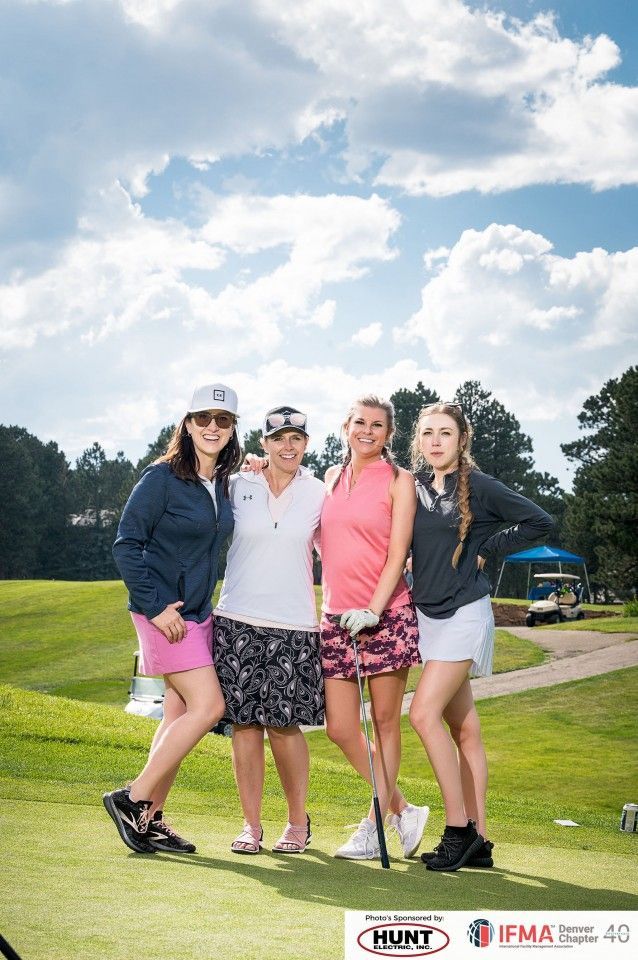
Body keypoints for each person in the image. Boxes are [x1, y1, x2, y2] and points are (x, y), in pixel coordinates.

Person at [408, 402, 554, 871]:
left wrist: (488, 549)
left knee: (422, 714)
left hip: (465, 614)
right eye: (428, 432)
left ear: (461, 439)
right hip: (428, 615)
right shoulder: (413, 489)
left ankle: (457, 830)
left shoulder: (480, 487)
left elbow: (540, 520)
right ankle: (482, 840)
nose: (435, 441)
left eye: (445, 433)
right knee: (463, 729)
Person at [104, 382, 241, 854]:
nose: (211, 427)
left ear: (231, 430)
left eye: (222, 421)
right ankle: (132, 797)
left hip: (197, 615)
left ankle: (148, 818)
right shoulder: (161, 477)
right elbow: (127, 544)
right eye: (203, 418)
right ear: (186, 424)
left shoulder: (222, 481)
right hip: (164, 615)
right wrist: (156, 606)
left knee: (180, 712)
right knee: (209, 708)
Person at [320, 395, 429, 861]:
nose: (368, 431)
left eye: (378, 426)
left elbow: (397, 552)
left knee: (385, 723)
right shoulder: (330, 478)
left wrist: (374, 608)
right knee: (340, 728)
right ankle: (401, 807)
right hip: (335, 618)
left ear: (388, 434)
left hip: (386, 617)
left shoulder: (400, 481)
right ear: (346, 427)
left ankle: (373, 824)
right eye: (360, 422)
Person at [214, 406, 325, 855]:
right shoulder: (238, 484)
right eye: (279, 438)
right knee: (244, 726)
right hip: (237, 618)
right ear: (264, 443)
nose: (288, 446)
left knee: (284, 727)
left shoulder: (320, 493)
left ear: (306, 444)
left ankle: (298, 824)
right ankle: (251, 825)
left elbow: (341, 549)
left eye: (296, 437)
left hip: (294, 624)